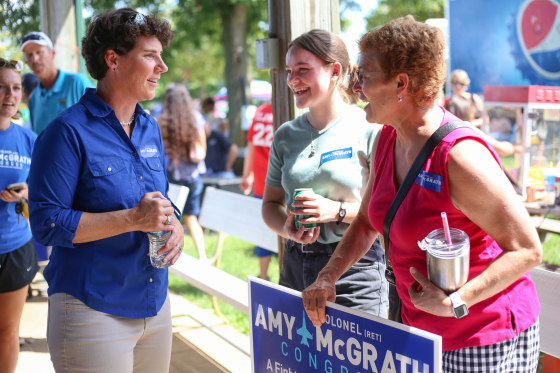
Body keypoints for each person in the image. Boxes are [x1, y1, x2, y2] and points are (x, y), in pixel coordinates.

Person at [302, 16, 542, 372]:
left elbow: (529, 249)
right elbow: (368, 221)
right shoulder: (388, 137)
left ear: (402, 83)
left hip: (481, 335)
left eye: (363, 76)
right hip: (422, 332)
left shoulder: (458, 157)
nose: (354, 88)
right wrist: (327, 276)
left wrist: (455, 302)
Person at [28, 9, 182, 372]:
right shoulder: (66, 132)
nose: (162, 66)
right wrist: (133, 219)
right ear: (112, 59)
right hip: (92, 308)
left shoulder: (149, 127)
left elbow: (156, 196)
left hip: (154, 302)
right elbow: (47, 224)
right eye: (150, 56)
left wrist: (172, 221)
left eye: (161, 56)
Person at [262, 29, 388, 317]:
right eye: (289, 71)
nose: (293, 80)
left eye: (303, 70)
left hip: (357, 269)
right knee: (300, 359)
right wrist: (286, 229)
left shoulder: (369, 128)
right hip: (296, 263)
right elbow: (270, 206)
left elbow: (385, 210)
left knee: (360, 362)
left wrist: (335, 211)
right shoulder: (285, 136)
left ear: (335, 72)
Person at [0, 58, 39, 373]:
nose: (9, 95)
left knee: (8, 332)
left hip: (15, 246)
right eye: (1, 87)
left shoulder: (28, 139)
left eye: (15, 88)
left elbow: (45, 188)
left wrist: (27, 191)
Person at [159, 83, 207, 260]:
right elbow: (203, 149)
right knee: (191, 217)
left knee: (170, 220)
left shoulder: (162, 121)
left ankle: (167, 256)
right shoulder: (196, 118)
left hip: (172, 177)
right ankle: (202, 257)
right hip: (193, 176)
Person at [20, 31, 95, 134]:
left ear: (53, 53)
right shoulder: (33, 97)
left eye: (39, 52)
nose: (34, 59)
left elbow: (102, 122)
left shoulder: (77, 83)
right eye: (29, 55)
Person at [240, 102, 275, 280]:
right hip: (281, 185)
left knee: (263, 232)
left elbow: (251, 146)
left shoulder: (261, 111)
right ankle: (283, 275)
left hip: (261, 183)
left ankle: (263, 274)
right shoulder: (287, 108)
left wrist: (247, 175)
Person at [446, 94, 521, 157]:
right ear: (466, 112)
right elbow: (502, 149)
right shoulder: (467, 129)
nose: (474, 112)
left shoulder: (444, 128)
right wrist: (514, 148)